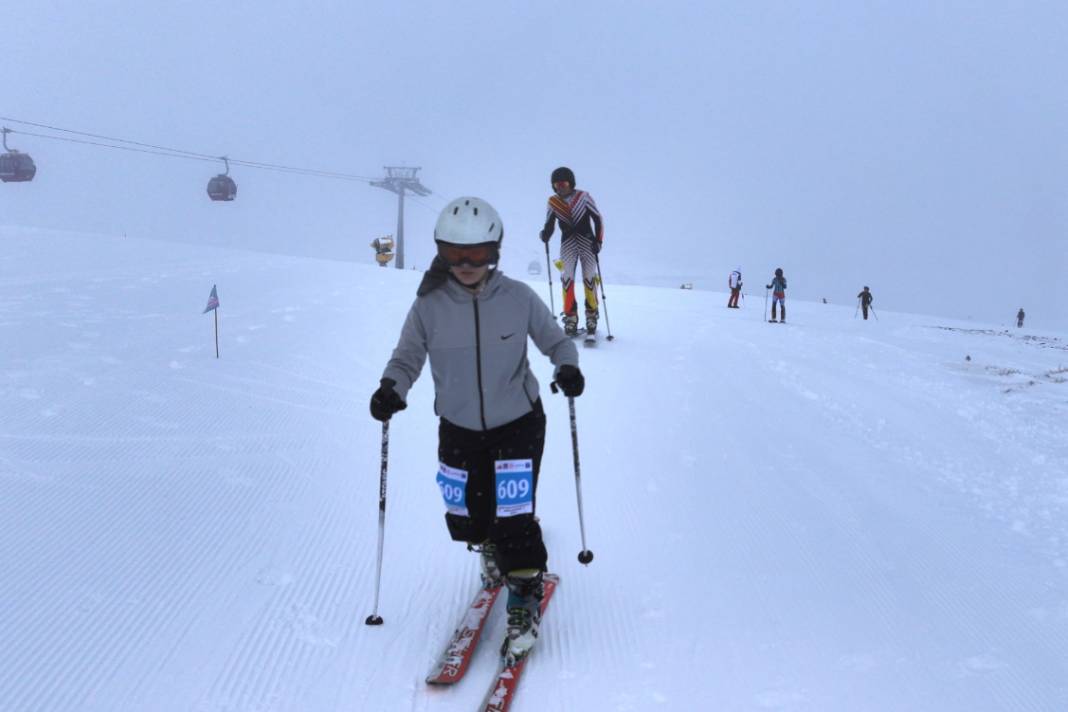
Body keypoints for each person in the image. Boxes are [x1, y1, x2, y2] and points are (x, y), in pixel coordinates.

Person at [370, 196, 583, 665]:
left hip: (518, 422)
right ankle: (487, 541)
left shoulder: (518, 298)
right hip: (459, 425)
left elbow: (556, 340)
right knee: (468, 514)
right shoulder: (428, 305)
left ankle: (523, 597)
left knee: (514, 515)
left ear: (495, 252)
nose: (466, 265)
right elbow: (407, 356)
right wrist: (392, 388)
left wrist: (567, 367)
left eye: (477, 254)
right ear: (441, 252)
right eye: (453, 254)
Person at [540, 167, 604, 336]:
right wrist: (545, 234)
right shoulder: (553, 202)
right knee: (567, 279)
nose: (560, 187)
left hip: (587, 243)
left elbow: (598, 219)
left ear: (570, 183)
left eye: (564, 183)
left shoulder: (583, 197)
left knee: (589, 278)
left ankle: (592, 315)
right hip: (567, 244)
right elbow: (549, 224)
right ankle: (571, 317)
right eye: (556, 184)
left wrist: (598, 241)